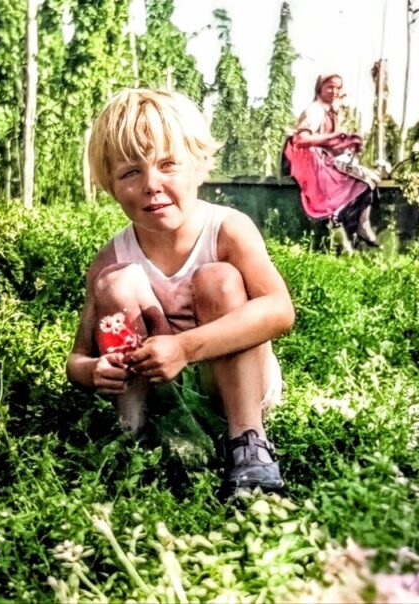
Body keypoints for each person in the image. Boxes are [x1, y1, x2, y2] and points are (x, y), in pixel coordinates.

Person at [65, 89, 296, 496]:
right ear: (110, 185)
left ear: (200, 166)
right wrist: (94, 371)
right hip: (158, 388)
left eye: (168, 165)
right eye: (130, 172)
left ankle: (247, 442)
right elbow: (77, 359)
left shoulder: (227, 230)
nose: (151, 184)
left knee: (217, 280)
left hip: (233, 383)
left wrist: (185, 348)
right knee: (115, 283)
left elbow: (279, 310)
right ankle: (135, 435)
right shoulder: (110, 258)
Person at [284, 73, 380, 251]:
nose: (334, 91)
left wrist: (348, 144)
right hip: (309, 164)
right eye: (330, 87)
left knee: (368, 178)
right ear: (320, 88)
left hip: (323, 161)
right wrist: (332, 139)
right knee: (353, 182)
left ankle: (361, 225)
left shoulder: (331, 114)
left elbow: (330, 146)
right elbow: (300, 140)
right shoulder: (315, 110)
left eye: (338, 88)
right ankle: (348, 233)